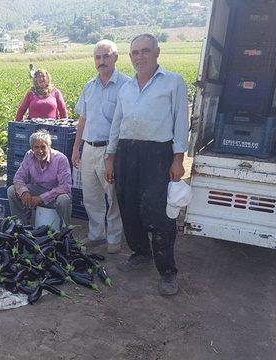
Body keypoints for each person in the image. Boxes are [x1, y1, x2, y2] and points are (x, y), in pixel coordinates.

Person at [104, 34, 189, 296]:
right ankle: (140, 253)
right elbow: (117, 124)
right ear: (130, 57)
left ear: (157, 52)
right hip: (127, 152)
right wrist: (110, 157)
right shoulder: (126, 88)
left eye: (145, 51)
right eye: (135, 52)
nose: (140, 56)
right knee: (129, 206)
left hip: (157, 153)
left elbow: (180, 123)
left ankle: (168, 272)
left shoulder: (173, 82)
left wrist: (177, 159)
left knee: (157, 212)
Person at [72, 40, 130, 254]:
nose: (101, 61)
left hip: (111, 150)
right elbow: (82, 119)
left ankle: (114, 239)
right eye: (98, 57)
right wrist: (76, 147)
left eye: (106, 56)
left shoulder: (127, 85)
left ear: (115, 57)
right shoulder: (89, 86)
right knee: (91, 195)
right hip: (89, 148)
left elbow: (128, 123)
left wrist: (114, 155)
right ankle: (97, 235)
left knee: (113, 195)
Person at [8, 129, 72, 227]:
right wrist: (24, 192)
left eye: (43, 147)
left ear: (49, 146)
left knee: (64, 200)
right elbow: (18, 178)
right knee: (12, 191)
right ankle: (20, 226)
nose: (40, 151)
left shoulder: (60, 159)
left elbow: (65, 187)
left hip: (55, 194)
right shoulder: (29, 155)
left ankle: (65, 230)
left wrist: (41, 198)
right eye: (36, 147)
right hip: (38, 189)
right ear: (32, 148)